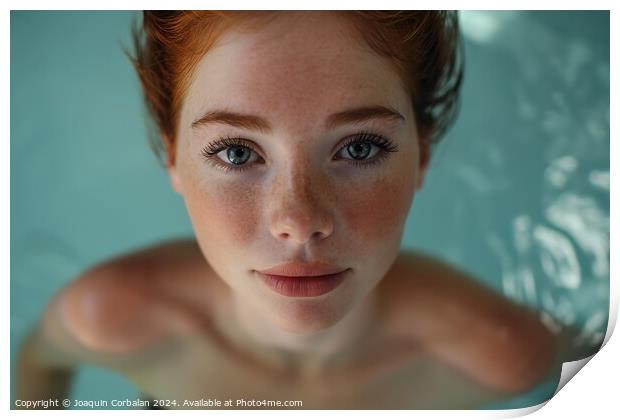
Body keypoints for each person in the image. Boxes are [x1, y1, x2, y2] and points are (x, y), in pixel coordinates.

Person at [15, 11, 598, 410]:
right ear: (172, 155)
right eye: (237, 152)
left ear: (422, 154)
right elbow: (37, 376)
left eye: (360, 147)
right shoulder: (107, 318)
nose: (298, 219)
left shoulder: (500, 354)